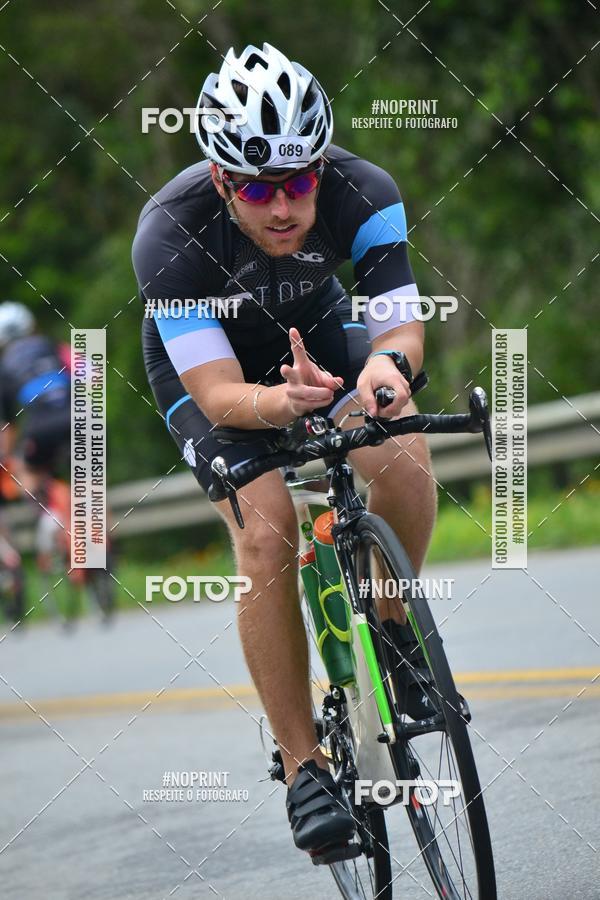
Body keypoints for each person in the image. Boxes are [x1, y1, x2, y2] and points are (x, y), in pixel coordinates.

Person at [133, 43, 439, 860]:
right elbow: (222, 397)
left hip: (316, 331)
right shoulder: (169, 232)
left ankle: (393, 633)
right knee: (266, 530)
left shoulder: (363, 189)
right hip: (214, 372)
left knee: (402, 450)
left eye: (300, 181)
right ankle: (305, 766)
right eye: (261, 188)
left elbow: (400, 329)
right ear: (222, 179)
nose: (284, 206)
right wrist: (281, 404)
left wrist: (383, 371)